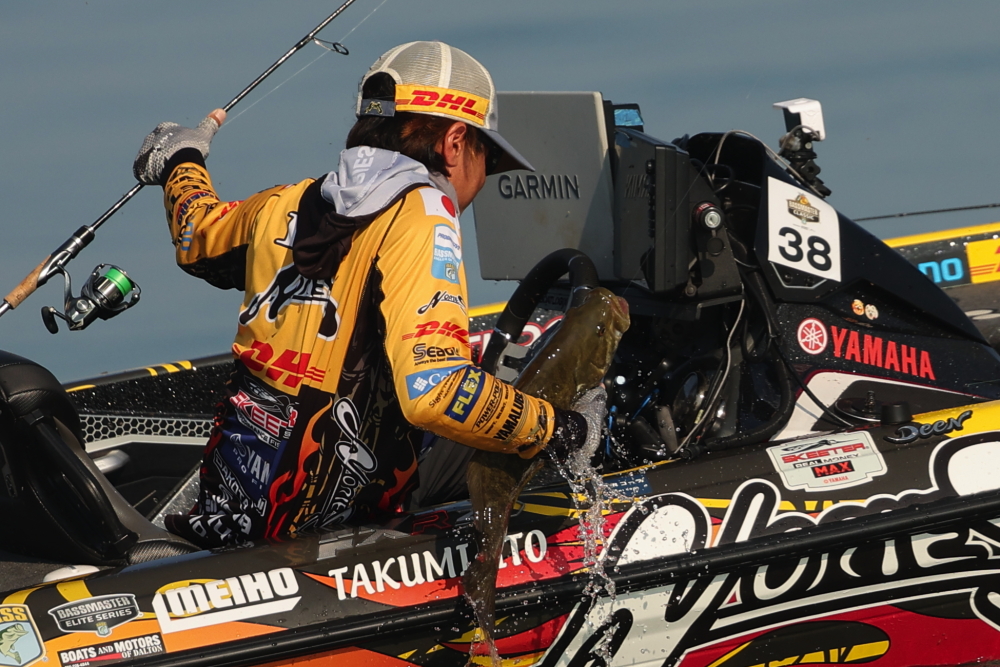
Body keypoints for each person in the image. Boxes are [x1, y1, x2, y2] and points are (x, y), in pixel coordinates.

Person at [133, 41, 603, 548]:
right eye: (486, 155)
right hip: (324, 537)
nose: (484, 176)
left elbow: (197, 234)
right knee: (543, 421)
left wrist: (181, 160)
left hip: (230, 527)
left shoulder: (283, 202)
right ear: (454, 142)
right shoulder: (425, 214)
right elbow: (435, 393)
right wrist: (563, 430)